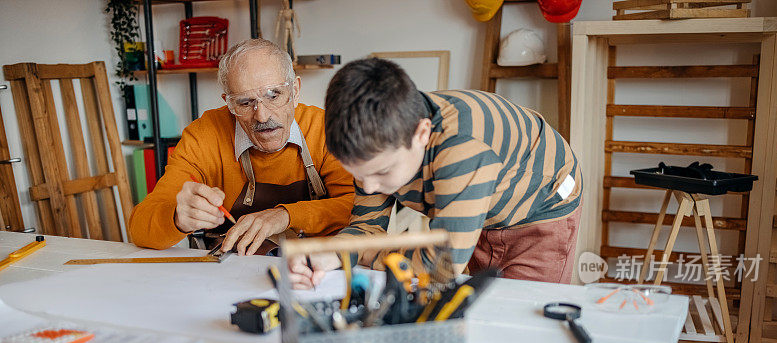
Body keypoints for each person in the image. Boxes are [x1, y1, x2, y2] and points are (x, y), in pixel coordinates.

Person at [288, 57, 582, 288]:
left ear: (421, 133)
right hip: (480, 202)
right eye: (359, 175)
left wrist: (363, 254)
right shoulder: (372, 144)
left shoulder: (463, 149)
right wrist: (330, 253)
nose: (370, 187)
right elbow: (366, 228)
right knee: (478, 305)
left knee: (520, 316)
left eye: (382, 173)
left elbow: (443, 266)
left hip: (541, 205)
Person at [128, 38, 354, 255]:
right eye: (245, 103)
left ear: (294, 91)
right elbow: (139, 228)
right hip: (229, 273)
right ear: (229, 102)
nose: (263, 116)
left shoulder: (326, 129)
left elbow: (358, 210)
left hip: (313, 270)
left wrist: (285, 216)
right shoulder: (203, 136)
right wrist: (177, 217)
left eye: (273, 96)